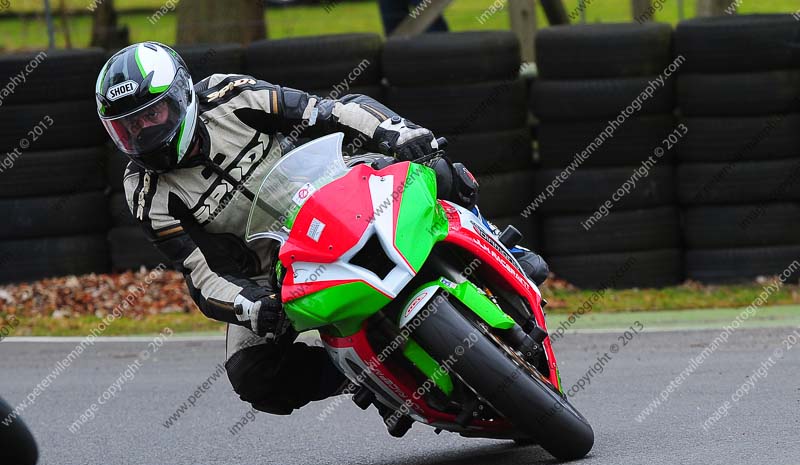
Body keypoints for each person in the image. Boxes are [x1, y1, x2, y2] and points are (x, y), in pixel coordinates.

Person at [95, 41, 548, 420]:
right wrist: (249, 306)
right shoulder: (144, 191)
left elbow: (326, 112)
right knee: (251, 374)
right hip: (275, 271)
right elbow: (198, 274)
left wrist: (398, 132)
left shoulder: (229, 96)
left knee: (434, 168)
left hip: (334, 196)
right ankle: (358, 371)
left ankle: (499, 246)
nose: (141, 134)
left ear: (182, 98)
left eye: (150, 116)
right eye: (127, 127)